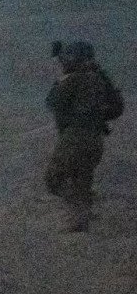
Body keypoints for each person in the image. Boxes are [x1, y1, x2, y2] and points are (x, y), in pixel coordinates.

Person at [45, 40, 124, 232]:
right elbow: (117, 108)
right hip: (96, 138)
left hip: (74, 137)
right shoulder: (100, 79)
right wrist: (96, 115)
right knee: (81, 179)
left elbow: (53, 101)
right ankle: (80, 221)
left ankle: (81, 207)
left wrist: (61, 81)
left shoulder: (74, 79)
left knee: (53, 178)